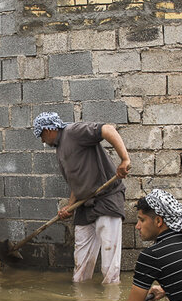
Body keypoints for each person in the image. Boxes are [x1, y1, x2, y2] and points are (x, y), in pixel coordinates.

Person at [33, 112, 130, 284]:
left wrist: (124, 159)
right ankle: (82, 298)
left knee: (109, 264)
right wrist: (69, 207)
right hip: (85, 206)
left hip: (106, 199)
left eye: (41, 135)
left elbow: (107, 129)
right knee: (80, 265)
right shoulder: (60, 148)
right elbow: (77, 182)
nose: (42, 141)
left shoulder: (74, 131)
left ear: (48, 129)